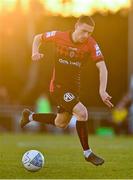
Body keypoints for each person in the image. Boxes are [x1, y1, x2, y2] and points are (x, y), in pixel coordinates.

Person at [20, 16, 114, 166]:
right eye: (84, 31)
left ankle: (29, 116)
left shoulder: (91, 43)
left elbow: (102, 67)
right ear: (76, 26)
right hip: (58, 87)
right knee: (82, 113)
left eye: (89, 33)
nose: (86, 35)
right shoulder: (60, 36)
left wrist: (102, 90)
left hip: (74, 89)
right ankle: (87, 153)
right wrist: (34, 52)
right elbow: (38, 37)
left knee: (61, 123)